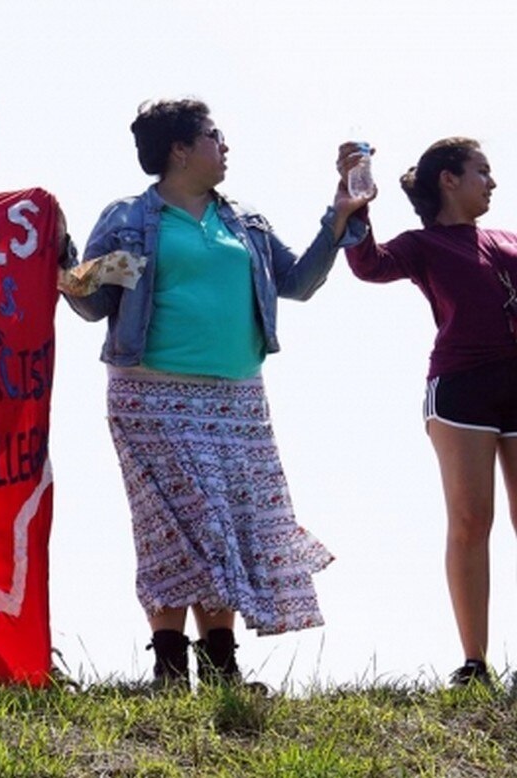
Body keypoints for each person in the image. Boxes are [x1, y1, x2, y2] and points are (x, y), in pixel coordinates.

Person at [61, 99, 370, 690]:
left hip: (238, 401)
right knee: (172, 525)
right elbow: (92, 302)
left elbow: (297, 282)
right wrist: (65, 263)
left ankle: (220, 667)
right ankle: (169, 667)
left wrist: (339, 217)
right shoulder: (130, 218)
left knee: (223, 523)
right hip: (151, 395)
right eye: (213, 135)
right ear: (180, 149)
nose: (224, 145)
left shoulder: (244, 221)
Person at [343, 137, 517, 689]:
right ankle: (475, 664)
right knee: (471, 522)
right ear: (449, 179)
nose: (492, 182)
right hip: (462, 390)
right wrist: (355, 201)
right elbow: (369, 265)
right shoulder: (423, 245)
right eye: (481, 171)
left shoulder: (507, 239)